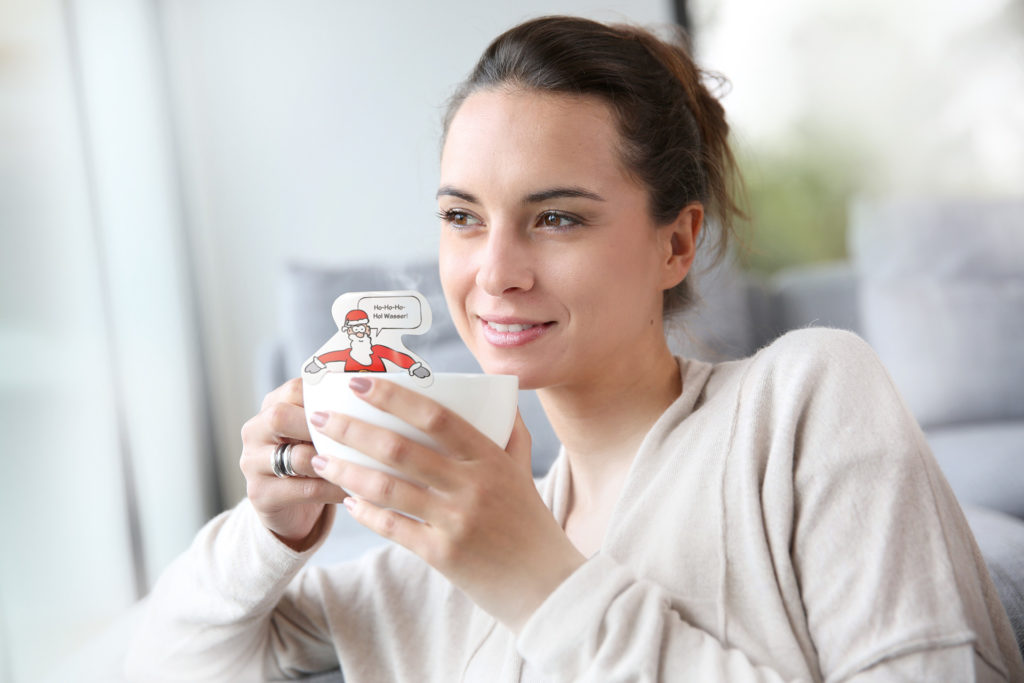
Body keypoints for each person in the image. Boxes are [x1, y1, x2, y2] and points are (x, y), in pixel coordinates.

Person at [125, 15, 1024, 682]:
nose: (495, 271)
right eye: (461, 217)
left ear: (676, 244)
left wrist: (535, 577)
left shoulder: (803, 401)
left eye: (556, 217)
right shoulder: (436, 561)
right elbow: (164, 658)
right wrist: (271, 529)